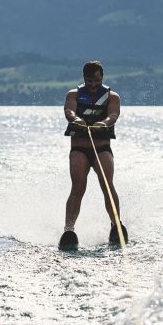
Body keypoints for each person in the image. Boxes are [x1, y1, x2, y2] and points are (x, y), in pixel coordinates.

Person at [59, 60, 127, 249]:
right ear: (84, 79)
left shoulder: (112, 96)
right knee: (78, 186)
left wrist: (103, 123)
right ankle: (69, 230)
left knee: (107, 183)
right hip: (80, 148)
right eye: (89, 81)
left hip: (102, 148)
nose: (93, 85)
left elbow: (113, 115)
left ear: (102, 77)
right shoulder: (73, 94)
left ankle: (116, 224)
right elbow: (69, 110)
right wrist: (75, 119)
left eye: (96, 81)